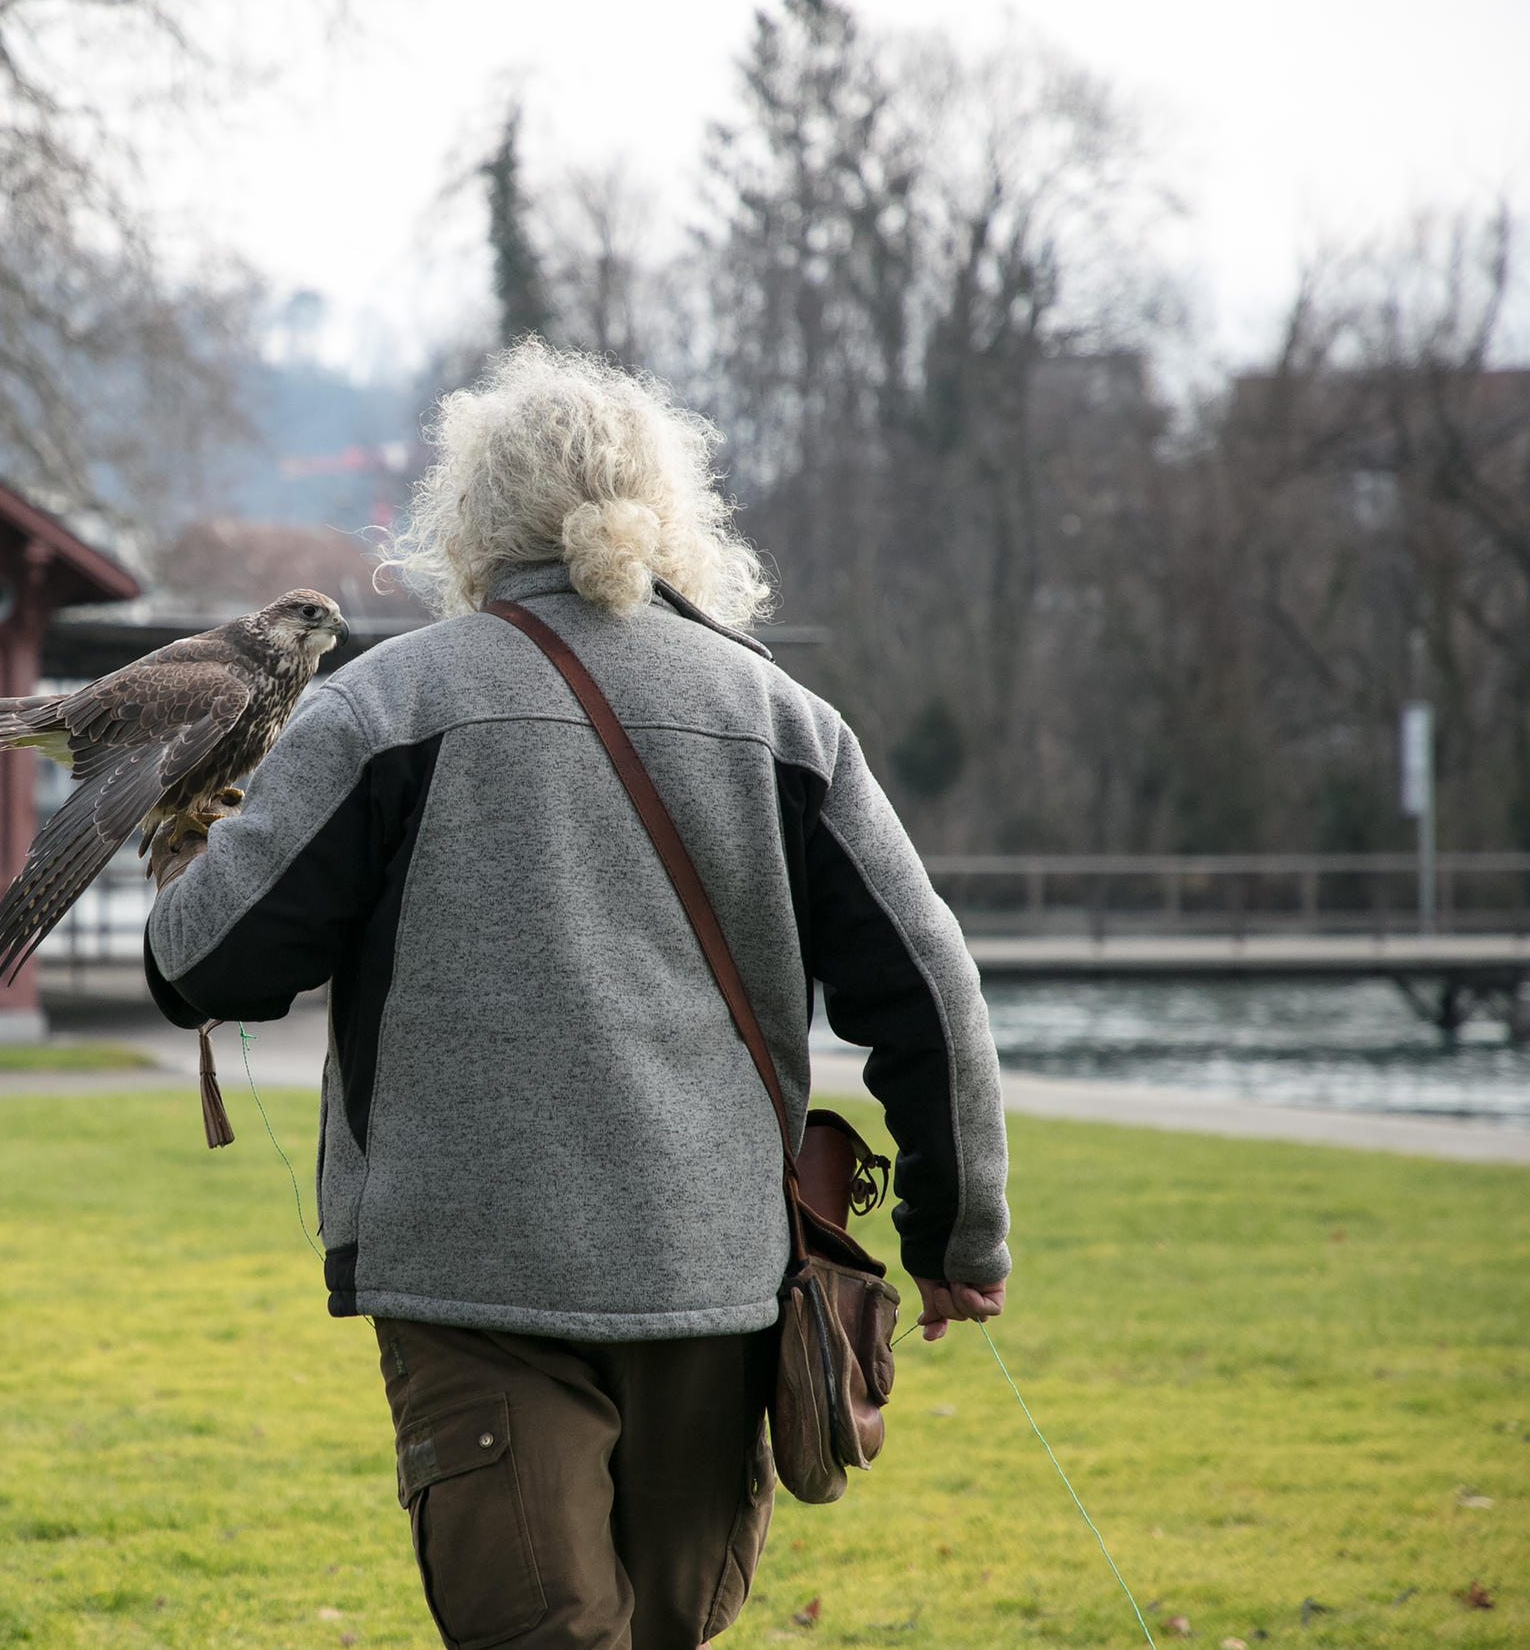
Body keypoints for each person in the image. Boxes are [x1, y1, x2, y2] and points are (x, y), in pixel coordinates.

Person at [143, 342, 1010, 1650]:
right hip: (712, 1277)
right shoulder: (785, 721)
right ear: (670, 509)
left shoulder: (387, 707)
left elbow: (203, 965)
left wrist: (186, 831)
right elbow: (929, 987)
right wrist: (957, 1241)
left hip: (473, 1280)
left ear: (471, 519)